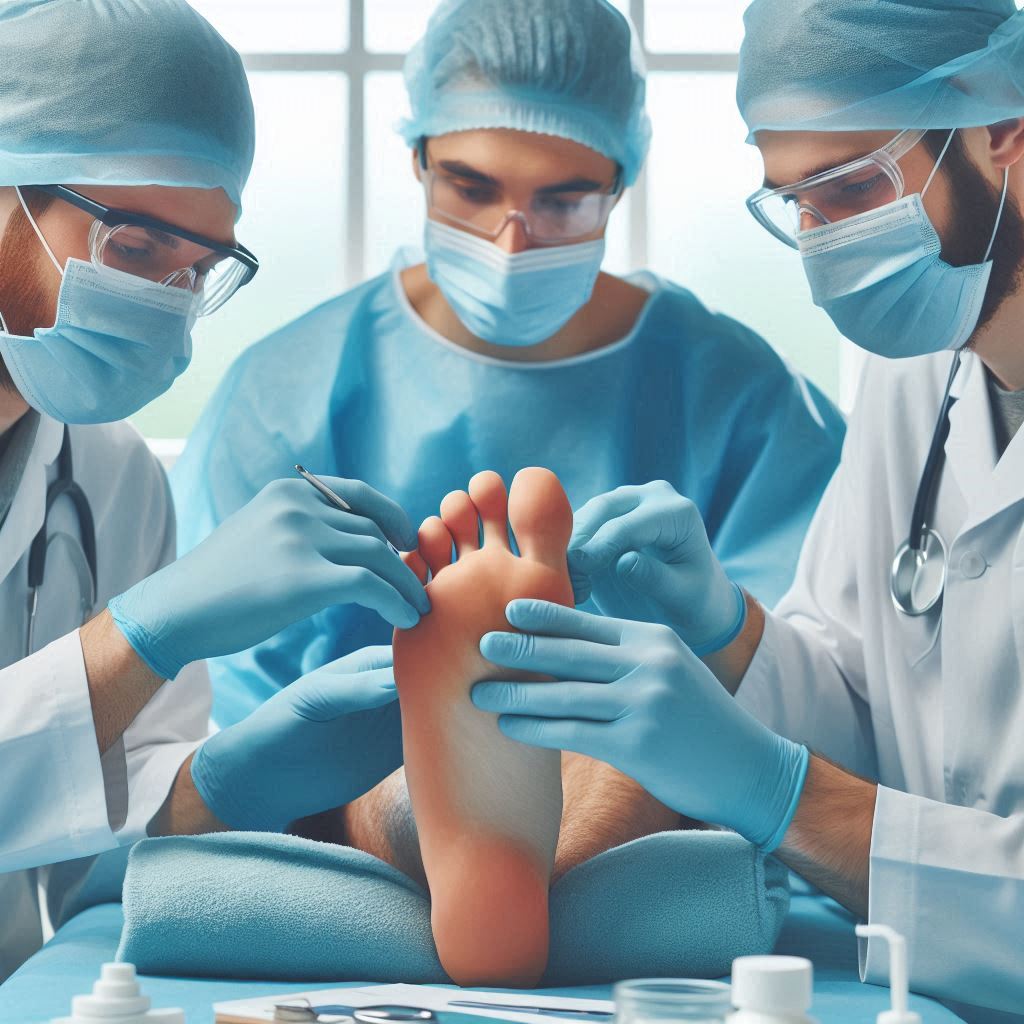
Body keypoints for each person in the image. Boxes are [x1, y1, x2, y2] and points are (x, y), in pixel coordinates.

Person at [471, 2, 1024, 1021]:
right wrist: (728, 632)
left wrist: (772, 789)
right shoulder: (920, 384)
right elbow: (866, 711)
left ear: (1005, 139)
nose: (823, 244)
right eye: (796, 204)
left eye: (851, 187)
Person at [172, 0, 845, 735]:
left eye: (563, 202)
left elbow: (819, 698)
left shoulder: (737, 398)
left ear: (619, 184)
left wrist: (717, 636)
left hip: (665, 827)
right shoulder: (285, 395)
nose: (511, 245)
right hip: (339, 827)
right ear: (418, 158)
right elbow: (228, 713)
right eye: (472, 188)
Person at [0, 0, 432, 979]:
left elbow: (102, 837)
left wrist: (242, 774)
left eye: (198, 269)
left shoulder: (108, 475)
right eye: (136, 248)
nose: (165, 304)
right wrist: (141, 635)